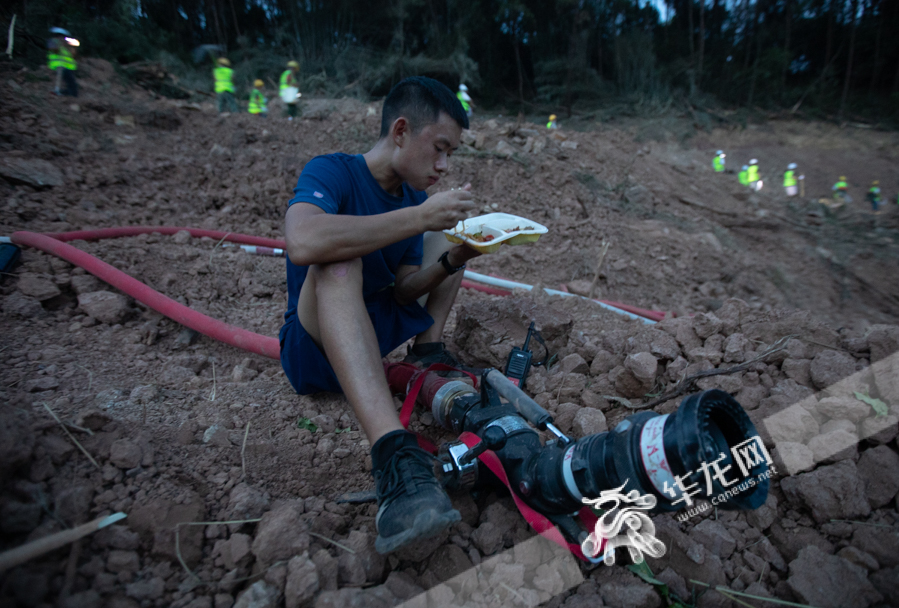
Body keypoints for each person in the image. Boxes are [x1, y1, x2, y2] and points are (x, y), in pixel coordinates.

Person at [280, 76, 481, 555]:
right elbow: (304, 242)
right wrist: (418, 218)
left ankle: (428, 352)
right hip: (314, 349)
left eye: (451, 154)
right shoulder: (332, 171)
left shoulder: (411, 197)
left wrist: (455, 257)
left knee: (453, 236)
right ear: (400, 131)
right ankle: (393, 456)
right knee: (337, 260)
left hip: (373, 330)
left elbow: (406, 287)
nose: (443, 165)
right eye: (439, 148)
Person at [47, 27, 78, 97]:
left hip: (67, 66)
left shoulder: (65, 42)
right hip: (60, 65)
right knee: (70, 82)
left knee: (70, 82)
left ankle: (67, 93)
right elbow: (54, 50)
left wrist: (67, 43)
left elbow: (75, 45)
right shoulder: (53, 42)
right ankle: (68, 93)